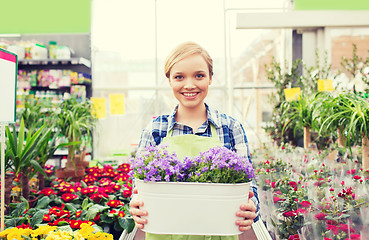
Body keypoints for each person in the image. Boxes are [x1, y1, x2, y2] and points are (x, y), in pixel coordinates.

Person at [129, 42, 259, 240]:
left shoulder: (231, 128)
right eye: (179, 77)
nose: (189, 85)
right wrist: (136, 205)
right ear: (169, 80)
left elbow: (250, 188)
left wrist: (251, 208)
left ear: (210, 78)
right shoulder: (155, 130)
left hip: (219, 234)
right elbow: (138, 190)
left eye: (199, 75)